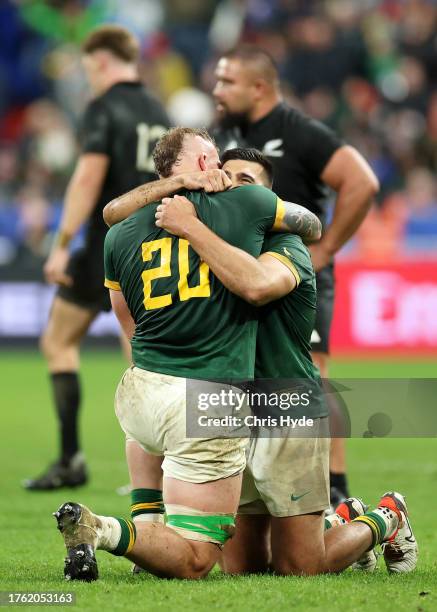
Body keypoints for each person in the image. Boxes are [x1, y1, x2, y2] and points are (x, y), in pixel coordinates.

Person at [101, 145, 417, 576]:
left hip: (287, 406)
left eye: (245, 183)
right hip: (227, 411)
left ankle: (385, 517)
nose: (228, 186)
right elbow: (117, 216)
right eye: (223, 177)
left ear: (267, 199)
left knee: (300, 565)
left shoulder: (286, 245)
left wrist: (191, 228)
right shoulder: (210, 245)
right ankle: (334, 520)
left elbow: (256, 285)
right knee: (243, 567)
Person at [54, 127, 323, 581]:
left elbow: (127, 322)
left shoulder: (119, 234)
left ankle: (147, 530)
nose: (223, 174)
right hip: (211, 396)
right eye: (215, 160)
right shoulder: (246, 204)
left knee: (249, 562)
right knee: (200, 557)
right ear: (201, 164)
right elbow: (312, 225)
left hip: (143, 390)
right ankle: (103, 531)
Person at [212, 45, 380, 506]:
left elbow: (362, 182)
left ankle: (336, 485)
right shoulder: (225, 133)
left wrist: (323, 251)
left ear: (259, 87)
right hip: (245, 274)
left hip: (297, 275)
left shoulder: (298, 131)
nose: (217, 89)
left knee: (312, 379)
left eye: (227, 81)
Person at [24, 25, 170, 490]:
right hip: (155, 243)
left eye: (89, 68)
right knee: (141, 351)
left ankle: (71, 459)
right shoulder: (159, 110)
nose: (89, 77)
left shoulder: (103, 108)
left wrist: (61, 242)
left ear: (103, 61)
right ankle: (163, 465)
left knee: (59, 342)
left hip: (107, 243)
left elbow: (88, 179)